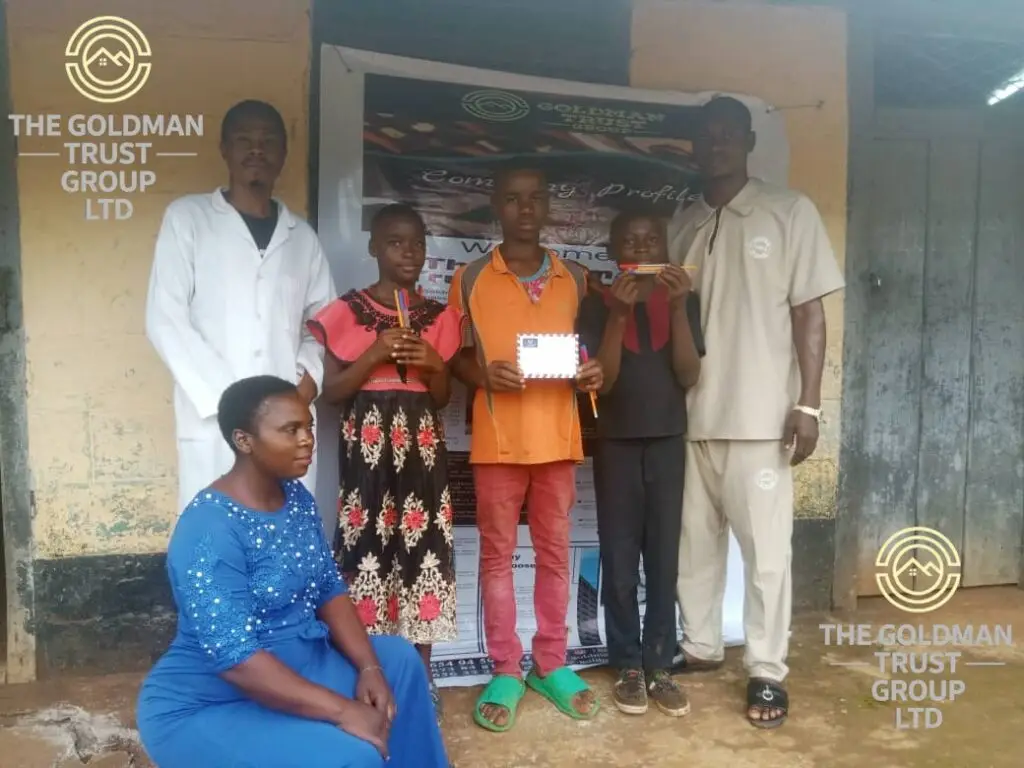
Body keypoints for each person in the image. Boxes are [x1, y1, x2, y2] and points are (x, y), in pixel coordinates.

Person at [135, 375, 450, 768]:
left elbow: (328, 588)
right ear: (243, 440)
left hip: (302, 663)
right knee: (352, 756)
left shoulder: (296, 499)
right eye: (290, 429)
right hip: (214, 698)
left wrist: (369, 668)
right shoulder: (208, 529)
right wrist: (342, 710)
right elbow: (236, 659)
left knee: (399, 662)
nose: (307, 440)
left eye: (309, 427)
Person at [667, 96, 846, 728]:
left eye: (727, 135)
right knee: (694, 548)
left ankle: (767, 670)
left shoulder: (788, 211)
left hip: (762, 416)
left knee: (767, 556)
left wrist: (809, 405)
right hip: (689, 417)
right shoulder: (683, 222)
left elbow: (810, 313)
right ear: (694, 144)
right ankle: (701, 645)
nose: (715, 145)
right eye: (705, 135)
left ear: (746, 141)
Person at [448, 160, 604, 732]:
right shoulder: (469, 279)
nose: (525, 209)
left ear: (546, 206)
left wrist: (590, 374)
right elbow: (455, 356)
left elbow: (587, 355)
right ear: (496, 205)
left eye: (535, 198)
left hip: (558, 440)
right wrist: (483, 374)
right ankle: (507, 668)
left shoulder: (577, 279)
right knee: (495, 558)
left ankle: (552, 663)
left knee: (555, 555)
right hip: (497, 442)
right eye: (513, 199)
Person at [307, 204, 461, 719]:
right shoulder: (346, 313)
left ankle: (421, 673)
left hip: (422, 453)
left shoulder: (439, 317)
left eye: (417, 243)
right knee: (364, 552)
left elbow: (439, 397)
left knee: (424, 556)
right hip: (369, 452)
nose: (408, 252)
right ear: (374, 247)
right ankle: (368, 669)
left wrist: (434, 365)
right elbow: (331, 395)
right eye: (395, 242)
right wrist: (373, 356)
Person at [145, 99, 335, 513]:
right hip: (215, 417)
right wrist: (230, 402)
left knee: (283, 535)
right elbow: (166, 318)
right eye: (244, 140)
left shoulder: (301, 237)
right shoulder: (188, 219)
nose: (256, 150)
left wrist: (304, 385)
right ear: (225, 149)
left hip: (286, 416)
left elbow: (323, 324)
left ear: (283, 153)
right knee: (217, 536)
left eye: (268, 141)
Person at [577, 210, 704, 717]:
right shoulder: (595, 305)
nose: (643, 248)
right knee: (621, 558)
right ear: (613, 249)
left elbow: (689, 374)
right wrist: (618, 315)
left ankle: (660, 664)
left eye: (652, 240)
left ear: (665, 248)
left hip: (669, 441)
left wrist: (675, 308)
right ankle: (627, 662)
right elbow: (602, 382)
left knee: (664, 557)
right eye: (631, 240)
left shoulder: (684, 300)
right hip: (616, 443)